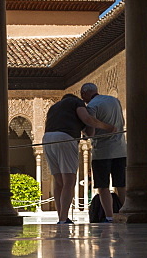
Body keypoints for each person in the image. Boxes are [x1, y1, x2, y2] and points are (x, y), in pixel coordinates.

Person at [43, 93, 116, 225]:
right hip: (65, 138)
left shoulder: (54, 107)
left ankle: (61, 217)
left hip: (47, 139)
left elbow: (87, 131)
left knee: (58, 181)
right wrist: (108, 127)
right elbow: (87, 120)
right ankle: (64, 219)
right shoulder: (76, 103)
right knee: (69, 180)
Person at [80, 83, 126, 223]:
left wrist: (84, 132)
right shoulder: (114, 100)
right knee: (121, 184)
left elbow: (91, 131)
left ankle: (109, 216)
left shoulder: (91, 107)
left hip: (102, 151)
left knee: (103, 186)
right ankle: (125, 212)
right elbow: (122, 122)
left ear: (85, 93)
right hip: (120, 149)